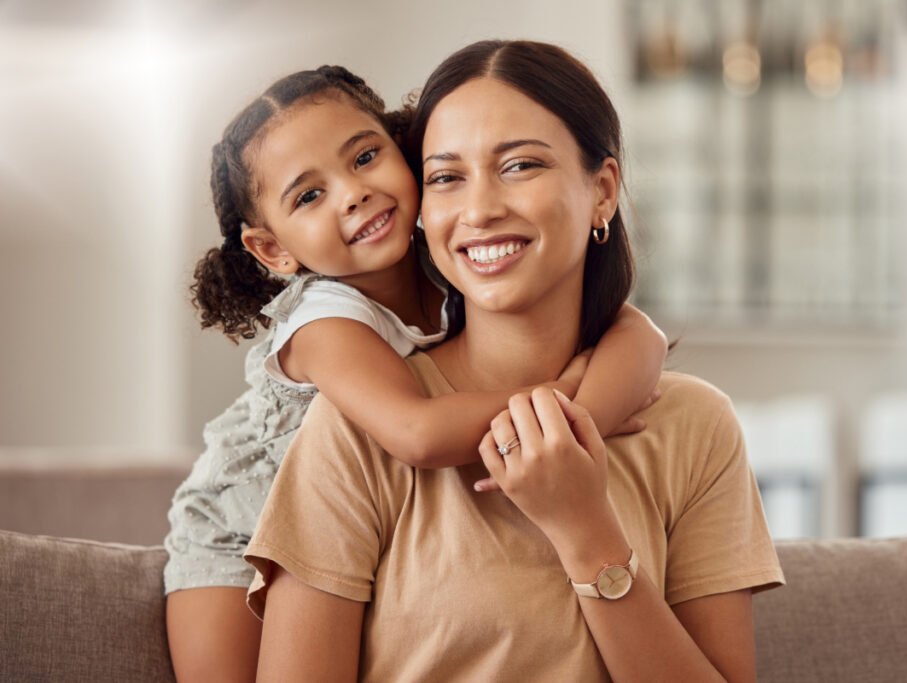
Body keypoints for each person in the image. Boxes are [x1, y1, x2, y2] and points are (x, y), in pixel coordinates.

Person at [245, 40, 785, 682]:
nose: (479, 209)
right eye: (446, 177)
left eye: (521, 165)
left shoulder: (694, 425)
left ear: (603, 190)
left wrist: (585, 531)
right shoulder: (358, 426)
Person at [163, 65, 668, 681]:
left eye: (366, 157)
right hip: (234, 524)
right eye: (309, 196)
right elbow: (419, 433)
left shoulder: (458, 254)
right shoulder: (323, 321)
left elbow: (642, 337)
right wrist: (555, 400)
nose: (352, 193)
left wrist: (574, 435)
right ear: (274, 249)